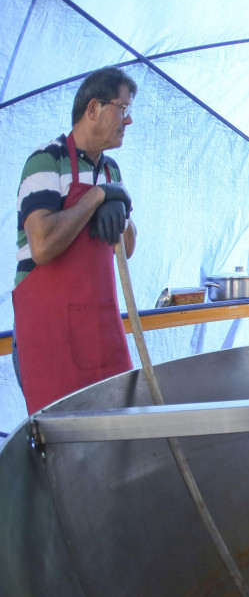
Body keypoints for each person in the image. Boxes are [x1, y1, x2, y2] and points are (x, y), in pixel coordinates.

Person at [13, 65, 137, 415]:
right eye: (122, 108)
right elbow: (42, 246)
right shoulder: (46, 161)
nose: (128, 120)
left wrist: (120, 204)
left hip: (98, 329)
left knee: (115, 442)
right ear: (93, 108)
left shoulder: (111, 170)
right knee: (60, 448)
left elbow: (126, 249)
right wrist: (96, 197)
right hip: (47, 334)